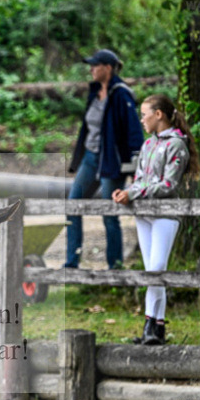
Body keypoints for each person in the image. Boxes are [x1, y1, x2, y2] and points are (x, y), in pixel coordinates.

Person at [112, 94, 200, 345]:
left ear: (158, 114)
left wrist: (135, 192)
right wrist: (125, 193)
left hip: (165, 214)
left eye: (145, 114)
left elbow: (168, 184)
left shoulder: (176, 146)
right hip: (144, 214)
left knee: (157, 268)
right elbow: (140, 179)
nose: (142, 119)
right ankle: (152, 327)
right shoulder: (148, 145)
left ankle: (154, 324)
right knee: (150, 269)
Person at [64, 49, 144, 269]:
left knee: (109, 212)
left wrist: (136, 164)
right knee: (73, 205)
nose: (91, 69)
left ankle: (114, 266)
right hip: (90, 159)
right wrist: (77, 159)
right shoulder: (94, 92)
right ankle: (71, 262)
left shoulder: (121, 94)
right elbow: (86, 130)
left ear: (108, 68)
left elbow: (134, 131)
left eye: (95, 65)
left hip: (112, 162)